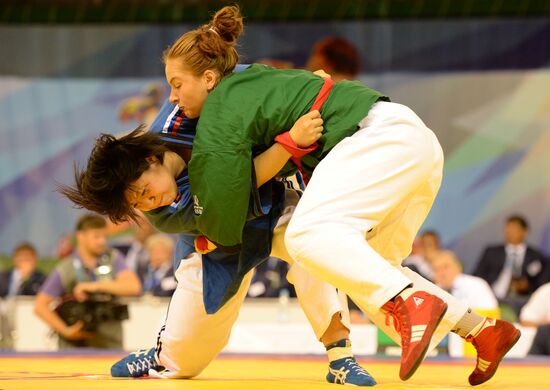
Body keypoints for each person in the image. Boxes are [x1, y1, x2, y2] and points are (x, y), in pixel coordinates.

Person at [156, 5, 520, 385]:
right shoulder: (258, 80)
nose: (173, 97)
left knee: (306, 237)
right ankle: (482, 330)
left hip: (378, 139)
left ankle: (410, 304)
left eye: (177, 84)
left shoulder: (219, 111)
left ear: (210, 77)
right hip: (414, 141)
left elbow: (225, 208)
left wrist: (206, 228)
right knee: (367, 269)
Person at [61, 111, 375, 383]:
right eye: (138, 204)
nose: (149, 202)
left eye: (144, 190)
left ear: (150, 159)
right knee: (184, 360)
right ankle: (162, 355)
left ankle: (340, 356)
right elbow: (242, 185)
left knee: (314, 246)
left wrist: (303, 88)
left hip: (279, 207)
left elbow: (210, 74)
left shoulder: (178, 120)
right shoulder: (166, 215)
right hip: (218, 243)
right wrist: (289, 140)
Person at [34, 214, 141, 349]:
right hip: (73, 349)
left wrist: (93, 287)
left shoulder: (114, 258)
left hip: (110, 345)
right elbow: (40, 306)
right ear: (81, 236)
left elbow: (133, 287)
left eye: (104, 236)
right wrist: (66, 331)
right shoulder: (67, 267)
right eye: (96, 236)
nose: (102, 241)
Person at [474, 215, 549, 315]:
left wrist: (528, 286)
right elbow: (477, 276)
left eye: (514, 229)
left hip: (521, 301)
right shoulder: (491, 252)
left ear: (524, 232)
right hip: (491, 296)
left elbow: (543, 286)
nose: (509, 232)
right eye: (507, 228)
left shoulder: (537, 257)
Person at [432, 250, 498, 311]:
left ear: (458, 267)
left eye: (446, 267)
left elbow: (491, 315)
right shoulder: (434, 292)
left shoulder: (476, 284)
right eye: (436, 269)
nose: (442, 273)